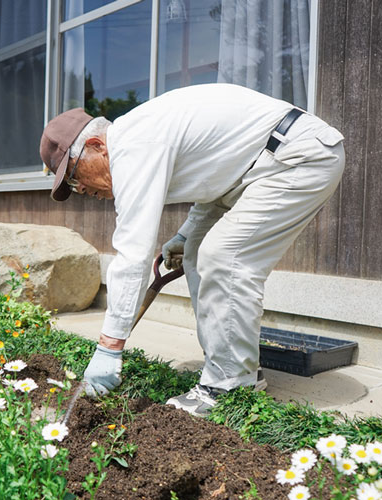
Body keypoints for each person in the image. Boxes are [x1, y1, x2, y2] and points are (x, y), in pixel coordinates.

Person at [39, 83, 345, 417]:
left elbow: (133, 256)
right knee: (199, 249)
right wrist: (186, 235)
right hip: (261, 163)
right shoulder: (141, 135)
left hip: (299, 157)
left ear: (97, 146)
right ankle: (233, 366)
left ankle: (228, 385)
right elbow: (215, 175)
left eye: (73, 175)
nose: (80, 189)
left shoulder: (132, 147)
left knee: (224, 257)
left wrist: (109, 346)